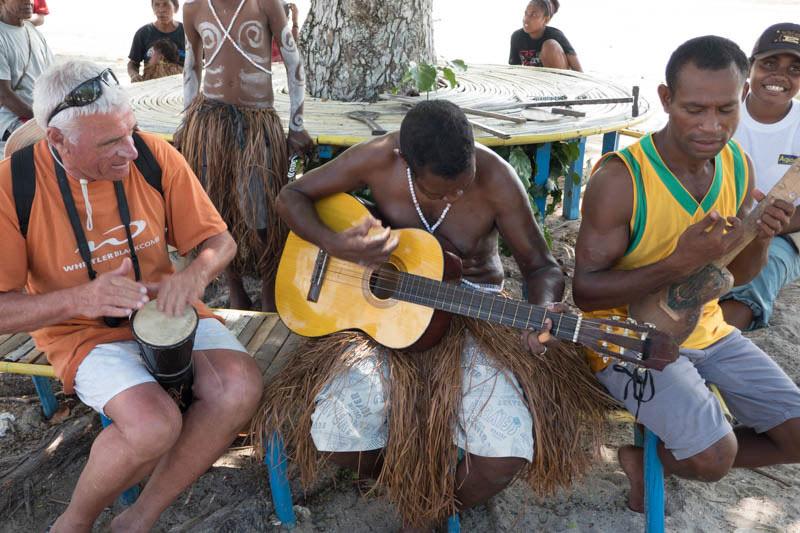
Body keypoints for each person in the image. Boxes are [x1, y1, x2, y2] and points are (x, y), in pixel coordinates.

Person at [255, 99, 611, 531]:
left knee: (505, 455)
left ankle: (429, 508)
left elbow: (541, 265)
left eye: (462, 186)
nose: (455, 197)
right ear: (405, 161)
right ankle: (401, 479)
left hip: (474, 313)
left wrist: (541, 313)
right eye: (438, 192)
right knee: (335, 434)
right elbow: (291, 196)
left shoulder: (496, 176)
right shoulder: (378, 158)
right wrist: (337, 245)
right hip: (381, 320)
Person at [0, 60, 263, 532]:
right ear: (57, 140)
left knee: (238, 389)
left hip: (169, 308)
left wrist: (197, 274)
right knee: (153, 426)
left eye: (131, 132)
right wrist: (81, 299)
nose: (129, 149)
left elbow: (220, 242)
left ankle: (139, 519)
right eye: (109, 143)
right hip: (80, 331)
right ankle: (73, 523)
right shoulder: (12, 185)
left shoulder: (152, 154)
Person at [572, 35, 800, 513]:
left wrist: (759, 238)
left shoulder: (737, 165)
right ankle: (690, 449)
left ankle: (653, 458)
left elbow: (734, 275)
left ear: (742, 98)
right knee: (716, 458)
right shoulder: (620, 179)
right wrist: (677, 261)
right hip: (625, 337)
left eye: (724, 110)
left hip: (707, 328)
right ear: (666, 99)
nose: (711, 126)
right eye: (694, 109)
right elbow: (586, 294)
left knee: (797, 436)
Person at [180, 0, 314, 312]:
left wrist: (296, 125)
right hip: (210, 123)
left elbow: (294, 63)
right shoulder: (193, 8)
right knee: (218, 206)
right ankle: (235, 287)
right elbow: (192, 66)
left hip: (256, 123)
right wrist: (187, 123)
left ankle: (269, 287)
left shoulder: (266, 4)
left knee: (261, 211)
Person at [719, 23, 800, 331]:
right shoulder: (721, 112)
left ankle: (705, 342)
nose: (780, 76)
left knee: (758, 279)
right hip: (719, 222)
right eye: (769, 63)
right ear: (749, 68)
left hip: (785, 232)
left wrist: (762, 228)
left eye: (794, 68)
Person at [0, 0, 53, 141]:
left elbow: (52, 76)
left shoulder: (32, 31)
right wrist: (43, 119)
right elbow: (4, 95)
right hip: (12, 123)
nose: (28, 2)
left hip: (41, 116)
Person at [508, 0, 582, 72]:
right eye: (526, 14)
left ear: (546, 20)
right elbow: (514, 69)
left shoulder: (555, 35)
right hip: (534, 79)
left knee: (550, 45)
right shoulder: (517, 37)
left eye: (533, 15)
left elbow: (578, 70)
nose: (526, 19)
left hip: (558, 80)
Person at [128, 0, 185, 83]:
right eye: (157, 5)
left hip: (180, 86)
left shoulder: (187, 32)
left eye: (166, 4)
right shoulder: (143, 33)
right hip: (151, 87)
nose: (161, 10)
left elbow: (200, 62)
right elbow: (133, 63)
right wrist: (134, 75)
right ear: (152, 8)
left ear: (176, 8)